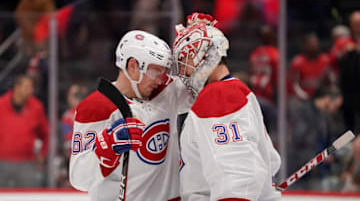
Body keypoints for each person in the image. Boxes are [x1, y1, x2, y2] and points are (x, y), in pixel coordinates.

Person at [69, 30, 192, 201]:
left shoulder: (166, 90)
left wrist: (206, 54)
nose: (160, 79)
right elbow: (79, 179)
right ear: (133, 66)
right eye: (155, 71)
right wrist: (107, 146)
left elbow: (205, 91)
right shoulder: (96, 107)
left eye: (163, 72)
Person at [172, 12, 281, 201]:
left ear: (202, 56)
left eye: (185, 61)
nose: (183, 72)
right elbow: (269, 161)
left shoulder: (219, 96)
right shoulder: (234, 90)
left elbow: (238, 176)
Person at [0, 74, 49, 187]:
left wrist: (42, 154)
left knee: (29, 195)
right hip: (1, 161)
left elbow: (46, 133)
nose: (30, 90)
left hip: (27, 163)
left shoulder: (36, 107)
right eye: (27, 87)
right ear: (17, 87)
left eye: (31, 87)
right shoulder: (1, 104)